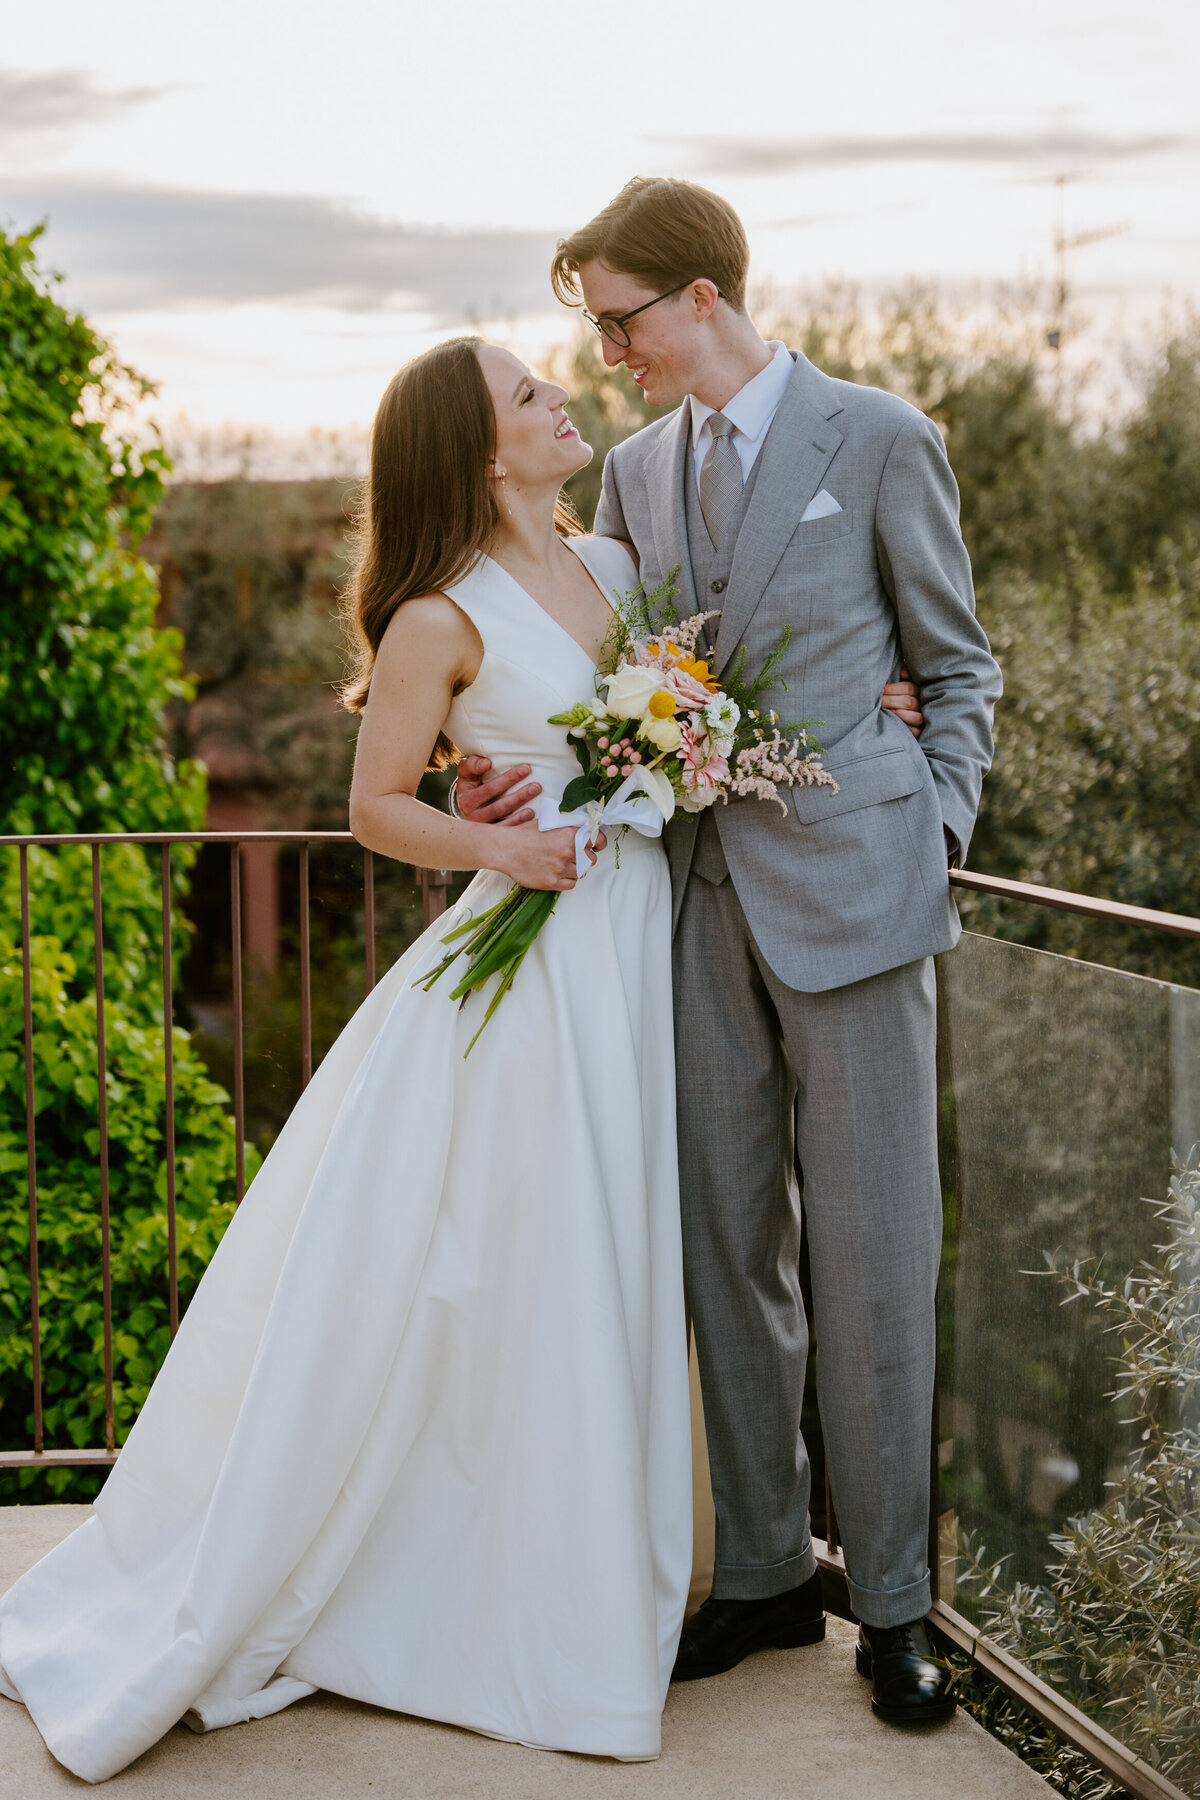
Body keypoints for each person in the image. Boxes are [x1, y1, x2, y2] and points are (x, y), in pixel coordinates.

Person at [0, 337, 696, 1781]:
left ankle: (574, 1559)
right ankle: (482, 1593)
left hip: (637, 939)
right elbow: (380, 805)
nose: (559, 397)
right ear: (478, 453)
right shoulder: (441, 617)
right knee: (520, 1254)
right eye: (525, 394)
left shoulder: (622, 567)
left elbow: (684, 713)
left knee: (606, 1242)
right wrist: (503, 845)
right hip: (537, 961)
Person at [455, 176, 1003, 1726]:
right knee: (724, 1251)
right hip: (688, 913)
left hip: (865, 902)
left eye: (620, 319)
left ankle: (893, 1607)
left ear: (702, 296)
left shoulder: (879, 438)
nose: (608, 353)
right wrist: (490, 777)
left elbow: (958, 666)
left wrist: (936, 827)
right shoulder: (635, 472)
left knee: (878, 1259)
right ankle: (764, 1572)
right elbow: (595, 670)